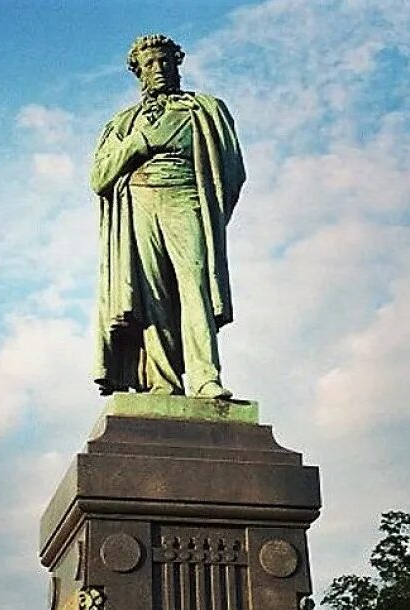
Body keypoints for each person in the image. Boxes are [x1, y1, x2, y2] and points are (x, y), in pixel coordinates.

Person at [91, 34, 245, 398]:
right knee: (152, 296)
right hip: (139, 203)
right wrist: (139, 143)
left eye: (164, 61)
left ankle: (206, 378)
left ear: (176, 63)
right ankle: (163, 382)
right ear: (138, 73)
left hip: (185, 197)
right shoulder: (124, 123)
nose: (158, 69)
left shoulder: (205, 110)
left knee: (196, 288)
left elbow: (232, 171)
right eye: (149, 64)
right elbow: (98, 177)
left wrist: (213, 212)